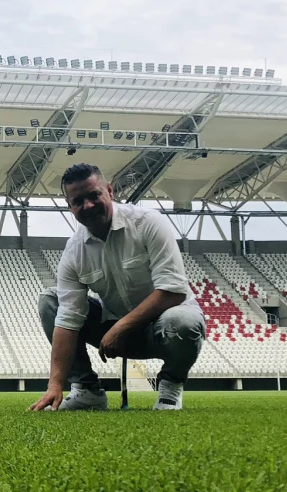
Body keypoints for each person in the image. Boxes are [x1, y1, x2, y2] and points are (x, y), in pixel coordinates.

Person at [29, 163, 205, 411]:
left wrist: (122, 327)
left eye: (94, 195)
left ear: (109, 191)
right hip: (113, 329)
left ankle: (171, 385)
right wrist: (55, 384)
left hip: (163, 326)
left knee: (184, 321)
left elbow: (173, 291)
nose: (88, 205)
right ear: (70, 207)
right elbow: (68, 318)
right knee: (50, 301)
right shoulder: (73, 251)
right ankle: (87, 390)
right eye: (78, 201)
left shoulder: (149, 223)